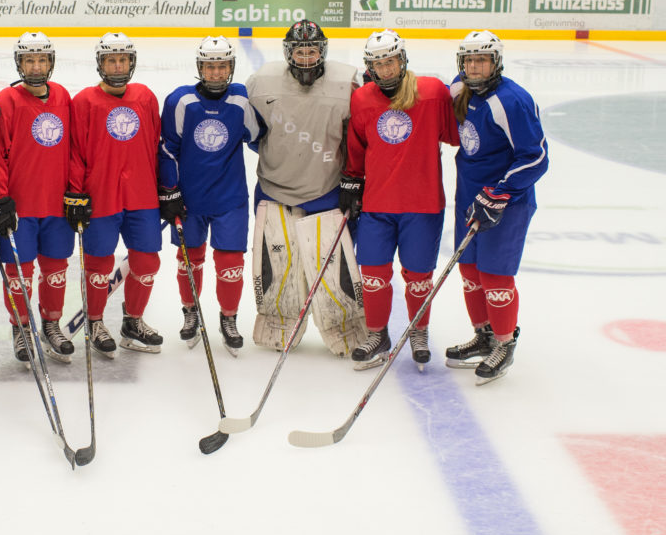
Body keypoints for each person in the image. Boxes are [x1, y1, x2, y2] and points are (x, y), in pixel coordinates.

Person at [340, 30, 459, 371]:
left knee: (418, 276)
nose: (386, 69)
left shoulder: (433, 92)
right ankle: (378, 334)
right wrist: (351, 180)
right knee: (374, 275)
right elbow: (357, 148)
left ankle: (419, 331)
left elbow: (453, 135)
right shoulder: (362, 98)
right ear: (370, 67)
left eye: (390, 61)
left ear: (402, 59)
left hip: (422, 206)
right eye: (378, 63)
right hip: (378, 205)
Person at [244, 19, 365, 354]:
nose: (307, 57)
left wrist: (355, 179)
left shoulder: (348, 83)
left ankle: (346, 328)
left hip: (327, 190)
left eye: (312, 50)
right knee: (278, 268)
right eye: (300, 50)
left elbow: (359, 135)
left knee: (334, 268)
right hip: (273, 189)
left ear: (322, 51)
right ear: (289, 52)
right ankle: (278, 326)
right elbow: (255, 134)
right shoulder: (260, 83)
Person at [445, 30, 548, 385]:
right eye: (469, 61)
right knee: (470, 272)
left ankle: (504, 343)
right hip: (469, 198)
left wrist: (501, 192)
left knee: (494, 277)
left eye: (482, 60)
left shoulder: (513, 101)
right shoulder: (459, 88)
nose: (474, 68)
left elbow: (536, 158)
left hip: (506, 204)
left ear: (496, 62)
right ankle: (484, 335)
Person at [157, 36, 262, 356]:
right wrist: (170, 191)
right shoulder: (180, 101)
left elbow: (258, 138)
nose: (216, 73)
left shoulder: (241, 100)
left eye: (222, 67)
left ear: (231, 67)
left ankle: (228, 319)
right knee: (190, 259)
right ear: (199, 68)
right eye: (210, 67)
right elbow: (166, 149)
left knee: (231, 262)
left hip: (230, 198)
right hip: (189, 200)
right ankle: (191, 313)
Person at [65, 32, 163, 358]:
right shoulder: (84, 102)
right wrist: (76, 195)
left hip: (142, 196)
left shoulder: (146, 97)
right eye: (111, 59)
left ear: (131, 62)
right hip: (101, 195)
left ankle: (132, 322)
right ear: (100, 63)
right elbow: (75, 152)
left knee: (147, 261)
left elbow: (155, 146)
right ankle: (95, 322)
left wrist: (166, 188)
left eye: (123, 59)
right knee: (98, 264)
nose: (118, 65)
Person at [0, 32, 76, 365]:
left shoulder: (63, 96)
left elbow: (74, 149)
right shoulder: (6, 100)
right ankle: (21, 328)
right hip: (21, 207)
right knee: (20, 273)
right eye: (29, 60)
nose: (36, 67)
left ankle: (51, 324)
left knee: (56, 270)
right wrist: (0, 199)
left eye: (41, 60)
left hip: (56, 205)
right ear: (19, 63)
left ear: (50, 62)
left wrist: (76, 191)